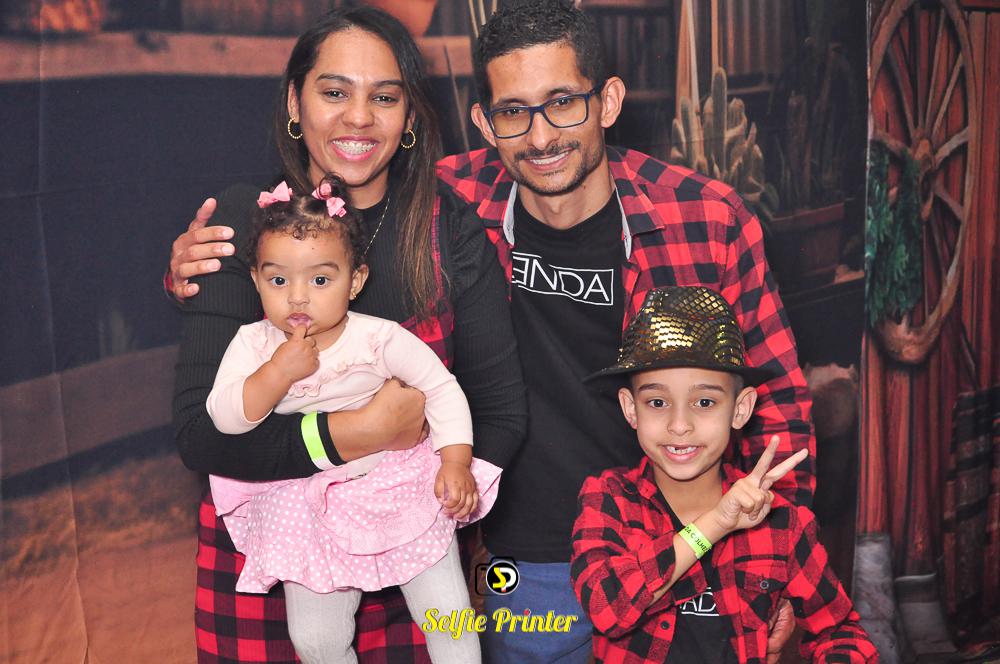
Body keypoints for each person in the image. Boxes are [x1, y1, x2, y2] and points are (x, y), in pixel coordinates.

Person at [172, 1, 811, 661]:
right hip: (519, 568)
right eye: (513, 112)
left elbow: (778, 410)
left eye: (563, 103)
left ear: (608, 102)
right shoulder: (452, 202)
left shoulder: (701, 219)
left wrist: (777, 571)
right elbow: (212, 405)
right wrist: (199, 280)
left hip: (668, 551)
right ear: (483, 123)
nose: (541, 136)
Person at [169, 7, 525, 663]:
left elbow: (501, 410)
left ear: (409, 115)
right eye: (334, 92)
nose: (359, 117)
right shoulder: (246, 220)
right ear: (295, 103)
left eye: (384, 97)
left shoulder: (446, 227)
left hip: (415, 554)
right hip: (274, 565)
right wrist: (353, 434)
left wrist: (429, 505)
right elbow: (201, 434)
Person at [206, 176, 499, 663]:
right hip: (308, 506)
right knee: (315, 640)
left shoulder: (378, 338)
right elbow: (225, 418)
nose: (298, 298)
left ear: (355, 280)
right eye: (279, 281)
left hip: (397, 488)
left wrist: (455, 460)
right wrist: (277, 373)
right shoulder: (253, 345)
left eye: (320, 280)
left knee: (448, 616)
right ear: (256, 280)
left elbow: (441, 389)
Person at [571, 286, 877, 663]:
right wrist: (716, 523)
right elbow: (606, 608)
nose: (679, 424)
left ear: (740, 409)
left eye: (704, 402)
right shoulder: (610, 500)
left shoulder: (782, 522)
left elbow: (839, 631)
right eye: (657, 402)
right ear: (630, 409)